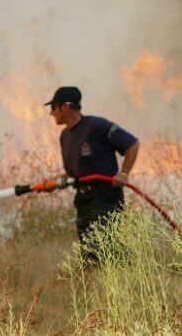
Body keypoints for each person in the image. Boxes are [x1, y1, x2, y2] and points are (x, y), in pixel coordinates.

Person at [44, 86, 139, 261]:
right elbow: (71, 174)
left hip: (105, 195)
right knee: (89, 251)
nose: (51, 113)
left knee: (99, 245)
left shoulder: (97, 126)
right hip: (83, 199)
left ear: (65, 107)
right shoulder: (65, 136)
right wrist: (53, 183)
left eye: (53, 108)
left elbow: (132, 144)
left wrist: (124, 173)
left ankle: (133, 269)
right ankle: (123, 272)